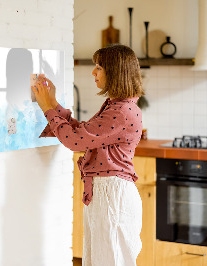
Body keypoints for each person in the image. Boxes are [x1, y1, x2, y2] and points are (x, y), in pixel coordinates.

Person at [32, 44, 144, 266]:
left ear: (115, 72)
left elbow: (75, 141)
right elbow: (83, 133)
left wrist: (47, 108)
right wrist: (53, 103)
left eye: (99, 67)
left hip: (112, 195)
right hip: (107, 193)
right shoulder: (117, 106)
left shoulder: (121, 111)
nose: (93, 72)